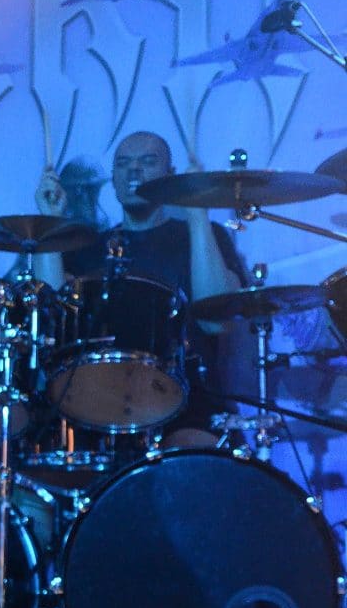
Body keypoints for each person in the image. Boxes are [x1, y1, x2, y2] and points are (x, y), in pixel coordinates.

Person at [33, 130, 247, 446]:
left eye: (148, 162)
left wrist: (197, 212)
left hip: (190, 404)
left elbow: (216, 321)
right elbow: (53, 313)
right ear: (113, 179)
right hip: (101, 400)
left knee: (190, 457)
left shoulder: (203, 235)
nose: (134, 170)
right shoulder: (90, 247)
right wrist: (49, 221)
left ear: (170, 175)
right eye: (123, 164)